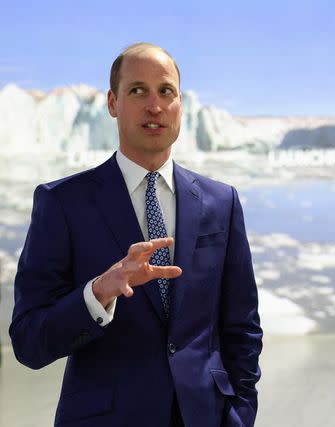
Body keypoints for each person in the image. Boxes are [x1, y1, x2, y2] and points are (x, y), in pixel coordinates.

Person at [9, 43, 262, 427]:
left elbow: (242, 328)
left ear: (181, 104)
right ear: (112, 103)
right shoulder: (62, 203)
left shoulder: (221, 201)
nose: (155, 106)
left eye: (166, 91)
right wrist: (99, 293)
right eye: (137, 91)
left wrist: (240, 415)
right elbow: (29, 341)